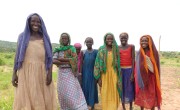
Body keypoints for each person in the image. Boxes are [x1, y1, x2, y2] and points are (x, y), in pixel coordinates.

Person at [12, 13, 57, 110]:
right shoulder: (22, 37)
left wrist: (50, 73)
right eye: (33, 21)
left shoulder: (44, 37)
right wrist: (14, 74)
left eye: (38, 21)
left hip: (41, 72)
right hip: (25, 72)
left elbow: (49, 57)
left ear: (41, 23)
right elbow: (17, 56)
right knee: (27, 97)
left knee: (40, 97)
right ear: (28, 22)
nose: (35, 23)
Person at [53, 33, 88, 110]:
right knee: (63, 93)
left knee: (73, 92)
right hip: (61, 74)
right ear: (60, 39)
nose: (64, 40)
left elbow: (75, 59)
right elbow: (53, 60)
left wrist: (60, 60)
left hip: (70, 72)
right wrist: (68, 60)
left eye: (66, 38)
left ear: (69, 39)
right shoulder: (57, 49)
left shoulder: (72, 48)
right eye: (63, 38)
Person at [94, 33, 122, 110]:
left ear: (113, 39)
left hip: (114, 73)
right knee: (105, 91)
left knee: (114, 91)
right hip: (104, 74)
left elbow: (118, 63)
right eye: (108, 39)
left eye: (111, 39)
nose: (109, 40)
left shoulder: (116, 49)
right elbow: (97, 63)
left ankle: (113, 107)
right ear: (105, 40)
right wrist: (99, 78)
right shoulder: (101, 49)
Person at [134, 35, 162, 110]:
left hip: (151, 78)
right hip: (141, 79)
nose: (143, 42)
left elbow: (155, 68)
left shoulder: (153, 52)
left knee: (151, 94)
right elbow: (136, 65)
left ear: (149, 42)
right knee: (142, 94)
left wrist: (148, 61)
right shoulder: (139, 52)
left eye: (145, 41)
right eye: (142, 41)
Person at [119, 32, 135, 110]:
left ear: (127, 38)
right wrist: (119, 71)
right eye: (122, 37)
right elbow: (117, 60)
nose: (123, 39)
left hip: (129, 70)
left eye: (125, 37)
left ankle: (131, 106)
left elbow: (133, 59)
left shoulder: (132, 46)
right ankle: (123, 107)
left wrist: (132, 73)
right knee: (122, 88)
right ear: (119, 38)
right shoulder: (117, 47)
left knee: (130, 88)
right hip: (121, 71)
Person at [82, 37, 98, 110]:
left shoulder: (95, 52)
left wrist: (97, 75)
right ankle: (86, 104)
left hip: (93, 73)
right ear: (85, 43)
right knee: (85, 88)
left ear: (93, 42)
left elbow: (97, 63)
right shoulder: (83, 52)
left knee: (92, 88)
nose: (89, 43)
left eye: (90, 42)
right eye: (87, 42)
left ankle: (92, 104)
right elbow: (81, 62)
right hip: (85, 73)